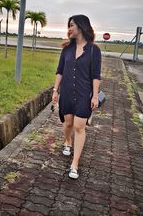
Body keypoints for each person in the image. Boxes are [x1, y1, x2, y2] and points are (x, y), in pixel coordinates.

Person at [52, 14, 102, 179]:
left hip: (83, 94)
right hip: (66, 92)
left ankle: (75, 164)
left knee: (79, 127)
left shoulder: (94, 50)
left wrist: (95, 96)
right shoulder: (66, 49)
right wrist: (55, 90)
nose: (69, 29)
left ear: (81, 26)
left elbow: (96, 75)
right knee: (68, 123)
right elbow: (60, 71)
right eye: (68, 26)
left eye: (71, 25)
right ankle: (67, 141)